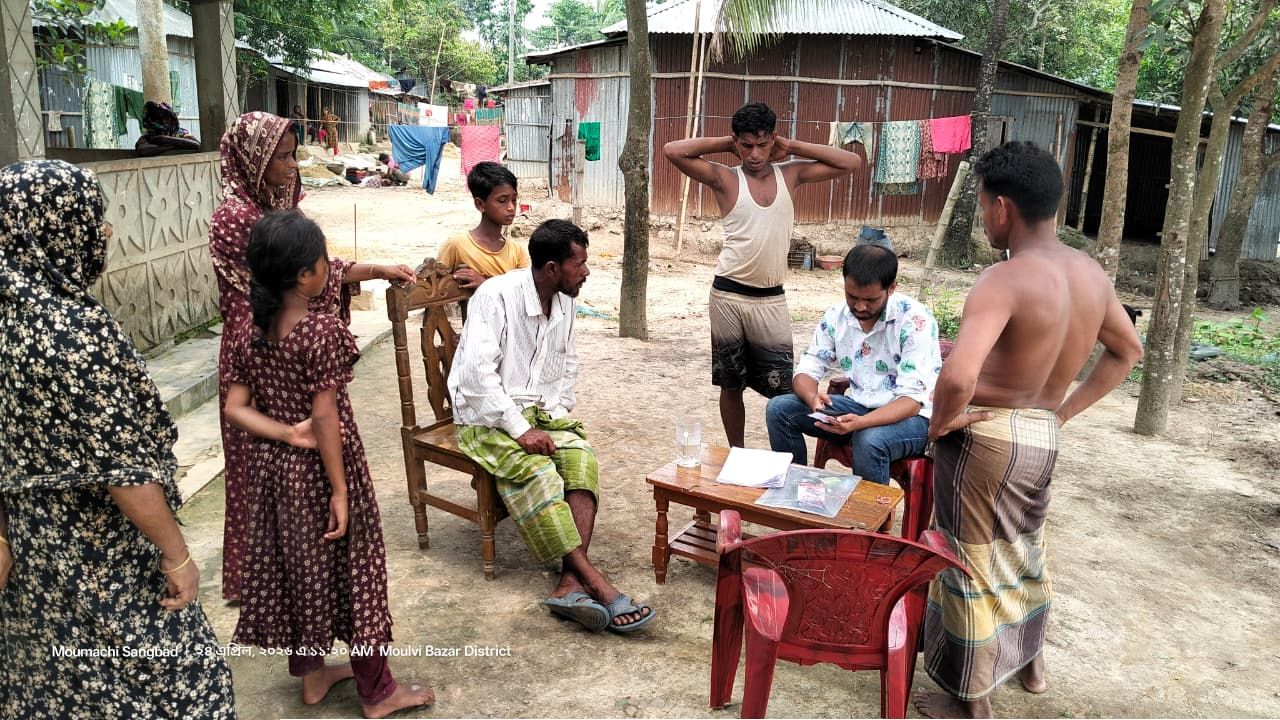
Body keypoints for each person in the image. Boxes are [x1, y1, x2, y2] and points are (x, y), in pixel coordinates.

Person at [913, 142, 1144, 719]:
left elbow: (959, 375)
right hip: (1041, 434)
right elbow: (1127, 351)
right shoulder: (1090, 274)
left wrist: (939, 425)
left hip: (987, 437)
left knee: (968, 562)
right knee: (1025, 551)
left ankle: (971, 701)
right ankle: (1031, 665)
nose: (983, 218)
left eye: (982, 206)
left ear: (1002, 208)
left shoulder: (1004, 279)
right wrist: (1061, 413)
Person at [0, 160, 236, 718]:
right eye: (93, 219)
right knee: (184, 686)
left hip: (32, 555)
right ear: (55, 231)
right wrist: (177, 557)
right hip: (103, 557)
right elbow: (123, 470)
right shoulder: (72, 333)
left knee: (59, 689)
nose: (105, 231)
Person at [223, 210, 433, 719]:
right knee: (357, 572)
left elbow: (235, 407)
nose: (328, 268)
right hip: (323, 472)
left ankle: (313, 676)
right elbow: (324, 418)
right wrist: (340, 490)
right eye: (323, 261)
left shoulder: (248, 327)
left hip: (276, 475)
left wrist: (284, 433)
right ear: (304, 275)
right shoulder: (321, 332)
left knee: (302, 569)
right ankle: (377, 691)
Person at [211, 111, 415, 601]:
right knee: (262, 476)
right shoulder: (234, 218)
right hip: (265, 357)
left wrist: (376, 268)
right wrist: (316, 326)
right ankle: (266, 583)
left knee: (308, 477)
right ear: (253, 159)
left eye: (292, 155)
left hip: (291, 350)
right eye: (281, 158)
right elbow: (289, 282)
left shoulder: (282, 206)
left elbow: (316, 269)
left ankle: (305, 580)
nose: (292, 166)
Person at [447, 219, 656, 634]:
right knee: (540, 471)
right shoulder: (495, 296)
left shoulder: (564, 301)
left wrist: (555, 413)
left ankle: (568, 583)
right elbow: (475, 378)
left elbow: (566, 364)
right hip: (484, 417)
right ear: (551, 268)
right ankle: (594, 580)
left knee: (580, 456)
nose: (586, 272)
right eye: (579, 264)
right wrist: (519, 429)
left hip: (537, 413)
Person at [663, 101, 863, 447]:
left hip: (771, 298)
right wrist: (727, 145)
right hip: (728, 295)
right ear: (736, 143)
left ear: (773, 140)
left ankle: (785, 459)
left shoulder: (791, 174)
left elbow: (851, 162)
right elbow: (673, 150)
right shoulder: (726, 178)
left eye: (762, 144)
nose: (754, 154)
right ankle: (737, 453)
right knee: (731, 384)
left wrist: (792, 146)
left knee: (784, 388)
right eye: (746, 145)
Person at [764, 241, 941, 484]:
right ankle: (794, 492)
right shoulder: (836, 316)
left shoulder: (915, 321)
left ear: (891, 288)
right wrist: (812, 397)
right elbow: (809, 366)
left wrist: (861, 423)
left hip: (914, 420)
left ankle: (867, 510)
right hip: (859, 408)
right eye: (852, 296)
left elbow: (911, 402)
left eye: (870, 300)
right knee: (779, 410)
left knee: (869, 439)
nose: (859, 306)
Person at [436, 161, 528, 290]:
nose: (511, 207)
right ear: (480, 204)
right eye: (502, 200)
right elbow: (436, 291)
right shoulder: (456, 246)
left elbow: (524, 293)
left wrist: (485, 284)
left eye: (514, 200)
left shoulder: (516, 251)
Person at [135, 100, 201, 157]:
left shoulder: (181, 133)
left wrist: (165, 139)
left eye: (166, 120)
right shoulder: (149, 136)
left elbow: (197, 145)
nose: (164, 123)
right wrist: (168, 146)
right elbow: (142, 150)